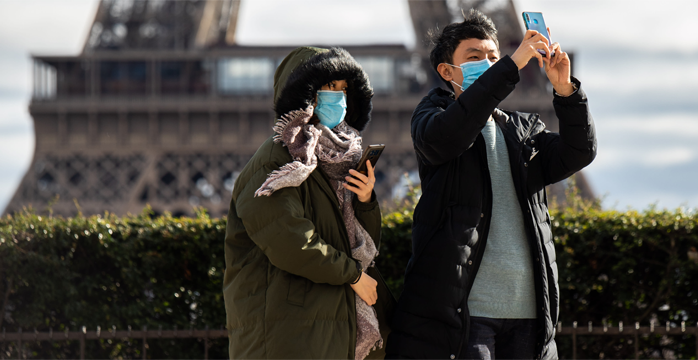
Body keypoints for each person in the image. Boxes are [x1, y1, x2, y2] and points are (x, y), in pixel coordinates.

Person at [386, 10, 597, 360]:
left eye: (493, 57)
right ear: (446, 71)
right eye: (474, 57)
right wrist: (511, 66)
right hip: (468, 314)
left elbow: (578, 152)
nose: (487, 63)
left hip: (529, 311)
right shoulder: (432, 119)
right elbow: (449, 135)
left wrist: (565, 91)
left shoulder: (522, 130)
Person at [223, 46, 395, 360]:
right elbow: (290, 241)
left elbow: (359, 244)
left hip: (325, 329)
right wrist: (353, 276)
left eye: (344, 89)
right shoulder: (276, 161)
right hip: (289, 334)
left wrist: (365, 200)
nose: (339, 97)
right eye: (330, 87)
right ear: (303, 92)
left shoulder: (338, 163)